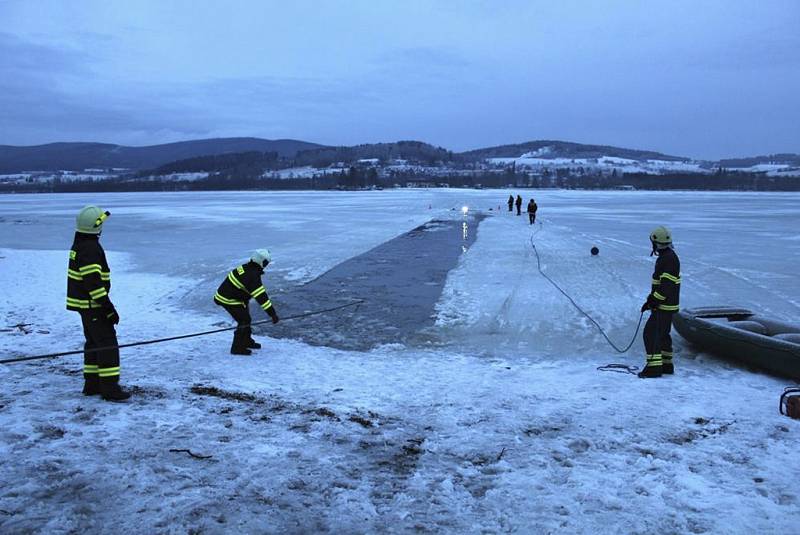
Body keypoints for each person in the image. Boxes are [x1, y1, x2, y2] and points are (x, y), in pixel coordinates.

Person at [66, 206, 130, 401]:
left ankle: (92, 384)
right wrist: (108, 308)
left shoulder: (82, 244)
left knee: (94, 343)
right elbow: (93, 283)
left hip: (86, 306)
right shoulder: (90, 248)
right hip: (92, 305)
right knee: (107, 344)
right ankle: (110, 388)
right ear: (95, 227)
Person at [214, 249, 279, 355]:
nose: (266, 265)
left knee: (246, 318)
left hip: (234, 296)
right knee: (244, 320)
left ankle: (246, 341)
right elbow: (262, 298)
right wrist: (273, 314)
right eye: (266, 263)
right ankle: (237, 348)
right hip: (227, 299)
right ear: (261, 261)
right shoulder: (252, 275)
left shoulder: (248, 268)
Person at [639, 226, 681, 378]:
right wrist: (651, 300)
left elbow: (666, 286)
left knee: (650, 334)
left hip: (664, 305)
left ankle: (654, 368)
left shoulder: (668, 259)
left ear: (656, 242)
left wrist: (654, 301)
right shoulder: (668, 257)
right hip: (666, 304)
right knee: (662, 334)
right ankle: (666, 365)